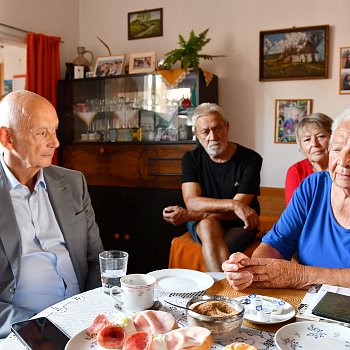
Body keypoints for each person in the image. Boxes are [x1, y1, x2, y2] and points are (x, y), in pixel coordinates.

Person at [0, 90, 104, 338]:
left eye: (55, 130)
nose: (55, 142)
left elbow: (96, 259)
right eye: (41, 133)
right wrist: (38, 328)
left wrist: (95, 310)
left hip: (86, 318)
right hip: (25, 328)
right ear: (7, 138)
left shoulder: (73, 182)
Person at [222, 108, 350, 291]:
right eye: (337, 149)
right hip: (307, 304)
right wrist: (251, 269)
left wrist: (300, 275)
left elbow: (295, 275)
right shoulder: (312, 187)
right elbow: (276, 244)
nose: (344, 160)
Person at [163, 103, 262, 272]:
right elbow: (192, 202)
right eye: (205, 132)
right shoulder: (191, 159)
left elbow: (233, 215)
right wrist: (233, 204)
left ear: (227, 127)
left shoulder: (251, 159)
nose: (213, 136)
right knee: (208, 225)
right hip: (206, 221)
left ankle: (219, 291)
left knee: (207, 225)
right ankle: (223, 291)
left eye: (217, 129)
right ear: (197, 135)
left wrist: (190, 215)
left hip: (239, 223)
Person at [285, 113, 332, 205]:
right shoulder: (296, 171)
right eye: (307, 140)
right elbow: (294, 213)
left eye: (321, 136)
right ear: (301, 146)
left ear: (333, 138)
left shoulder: (345, 167)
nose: (314, 144)